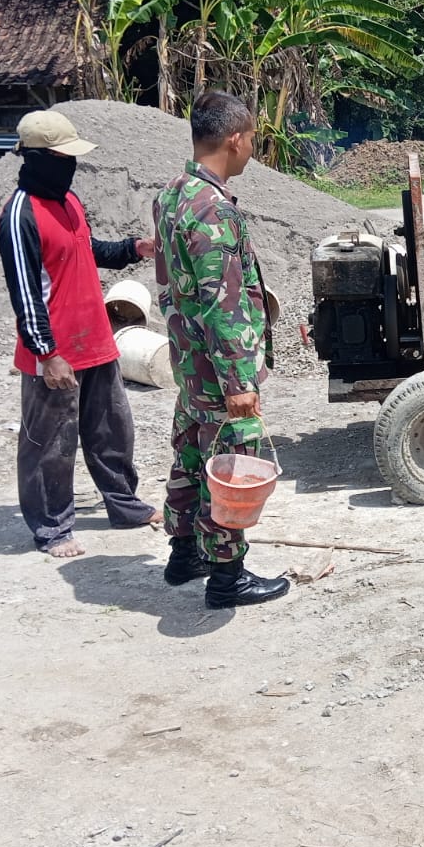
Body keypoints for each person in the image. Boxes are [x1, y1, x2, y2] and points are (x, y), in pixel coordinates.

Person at [0, 110, 161, 558]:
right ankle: (52, 527)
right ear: (36, 158)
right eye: (62, 158)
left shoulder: (69, 201)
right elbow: (25, 294)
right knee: (51, 444)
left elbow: (87, 251)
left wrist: (133, 249)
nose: (70, 165)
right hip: (56, 353)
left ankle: (124, 504)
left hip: (96, 341)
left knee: (112, 431)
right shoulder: (19, 215)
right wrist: (47, 353)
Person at [154, 91, 289, 609]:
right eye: (252, 138)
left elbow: (170, 287)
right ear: (234, 139)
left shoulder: (172, 195)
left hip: (190, 360)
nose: (253, 147)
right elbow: (222, 304)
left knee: (192, 452)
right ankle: (227, 577)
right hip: (216, 368)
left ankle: (185, 553)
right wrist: (238, 382)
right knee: (231, 463)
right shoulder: (212, 209)